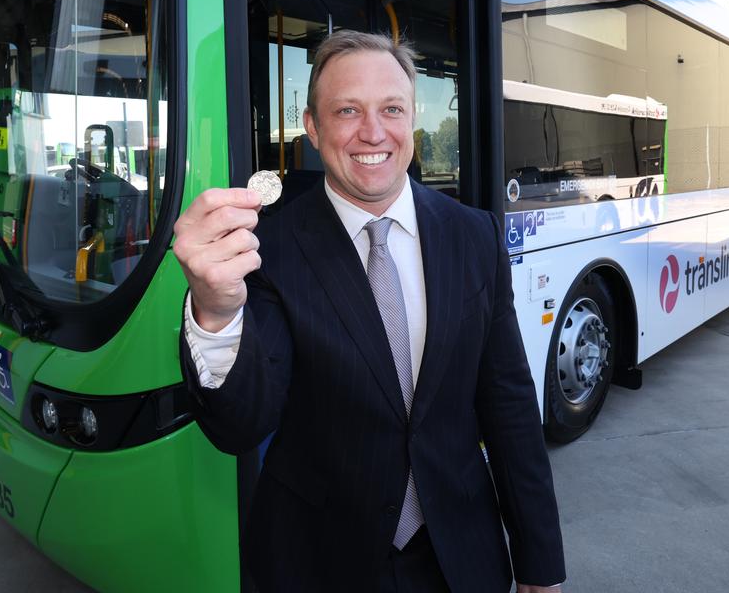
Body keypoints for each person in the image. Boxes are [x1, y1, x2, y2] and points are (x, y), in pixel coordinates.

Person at [173, 30, 565, 592]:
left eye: (392, 109)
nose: (373, 132)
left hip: (459, 554)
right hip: (318, 561)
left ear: (413, 122)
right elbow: (242, 424)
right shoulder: (269, 249)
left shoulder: (474, 235)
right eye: (347, 110)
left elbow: (508, 403)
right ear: (312, 127)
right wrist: (214, 310)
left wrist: (538, 559)